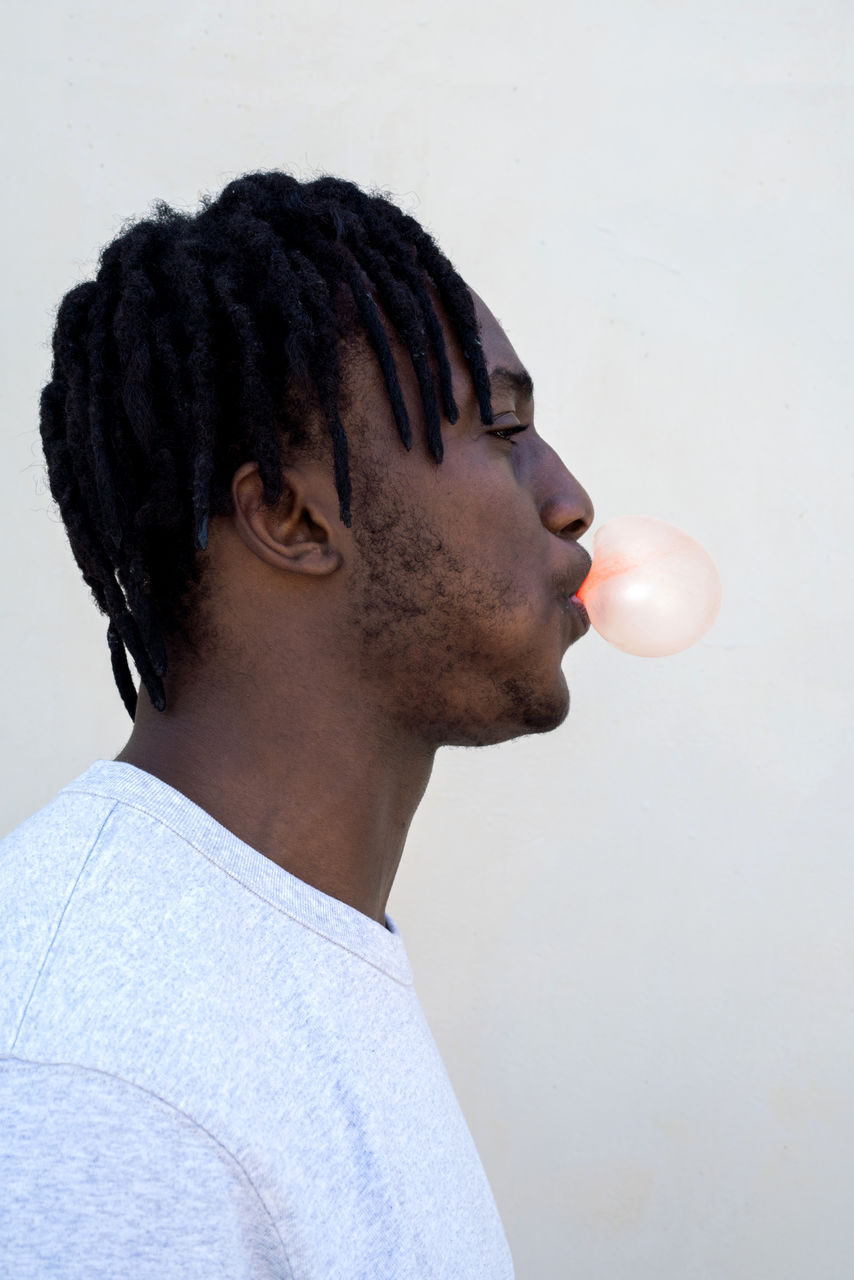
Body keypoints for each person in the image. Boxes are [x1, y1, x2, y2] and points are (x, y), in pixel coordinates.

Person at [0, 172, 593, 1278]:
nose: (566, 498)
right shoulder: (91, 1079)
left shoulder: (290, 954)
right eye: (500, 424)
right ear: (288, 512)